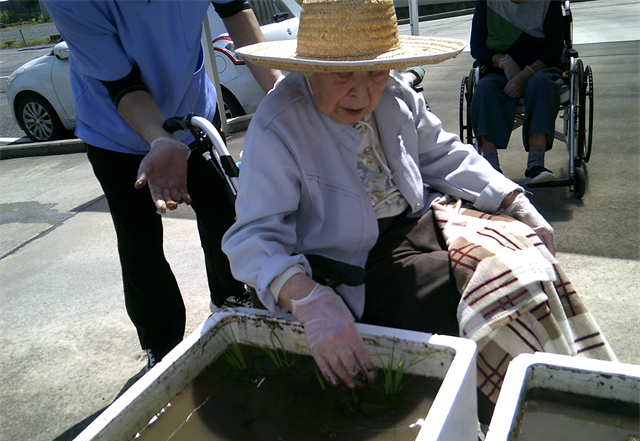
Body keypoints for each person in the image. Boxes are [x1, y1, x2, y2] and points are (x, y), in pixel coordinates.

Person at [221, 0, 617, 414]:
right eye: (343, 74)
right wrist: (309, 301)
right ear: (312, 67)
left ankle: (578, 389)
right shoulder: (279, 122)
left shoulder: (393, 92)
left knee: (528, 257)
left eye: (375, 71)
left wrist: (511, 198)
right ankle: (524, 412)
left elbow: (444, 153)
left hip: (423, 218)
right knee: (490, 298)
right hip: (353, 262)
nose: (361, 92)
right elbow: (253, 237)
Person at [43, 0, 282, 369]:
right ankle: (163, 345)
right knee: (140, 243)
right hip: (116, 132)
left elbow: (235, 10)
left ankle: (232, 300)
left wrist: (281, 93)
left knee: (224, 215)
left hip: (193, 111)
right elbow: (122, 84)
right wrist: (163, 138)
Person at [469, 0, 564, 184]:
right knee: (484, 89)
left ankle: (536, 165)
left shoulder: (547, 2)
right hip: (499, 68)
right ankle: (490, 167)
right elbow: (477, 47)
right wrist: (504, 62)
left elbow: (554, 48)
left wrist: (525, 74)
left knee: (542, 86)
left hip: (540, 66)